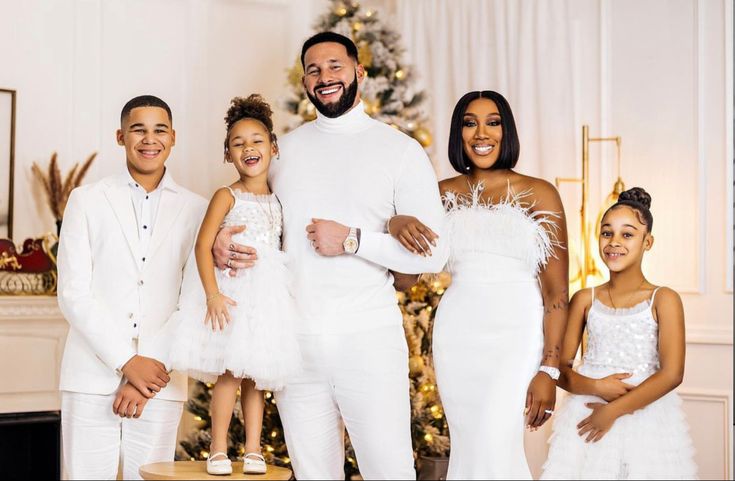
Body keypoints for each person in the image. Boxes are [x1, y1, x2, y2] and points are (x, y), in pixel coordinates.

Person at [213, 32, 448, 480]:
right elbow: (252, 210)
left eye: (336, 66)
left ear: (359, 72)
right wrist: (221, 240)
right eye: (314, 70)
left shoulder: (399, 150)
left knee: (390, 473)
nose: (325, 77)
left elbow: (433, 255)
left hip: (369, 342)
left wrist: (355, 240)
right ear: (305, 81)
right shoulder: (285, 153)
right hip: (296, 348)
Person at [388, 90, 569, 479]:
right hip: (458, 334)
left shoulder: (540, 193)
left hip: (516, 333)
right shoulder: (440, 193)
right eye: (470, 123)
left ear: (507, 131)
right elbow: (405, 279)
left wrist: (550, 370)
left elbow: (557, 295)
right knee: (470, 446)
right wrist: (394, 223)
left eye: (493, 122)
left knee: (497, 442)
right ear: (459, 133)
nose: (481, 133)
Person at [56, 95, 207, 479]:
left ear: (173, 137)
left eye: (159, 130)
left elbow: (193, 298)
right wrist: (127, 362)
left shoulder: (198, 209)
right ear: (120, 136)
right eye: (138, 129)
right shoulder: (86, 200)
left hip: (160, 380)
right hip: (89, 377)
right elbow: (74, 293)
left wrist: (146, 374)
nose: (149, 139)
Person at [169, 94, 301, 475]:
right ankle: (218, 447)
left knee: (256, 376)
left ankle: (254, 449)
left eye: (257, 140)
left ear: (273, 147)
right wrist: (213, 294)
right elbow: (203, 244)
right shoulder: (226, 196)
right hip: (233, 294)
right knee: (229, 372)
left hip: (268, 299)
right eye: (238, 143)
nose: (249, 148)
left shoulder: (279, 199)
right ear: (228, 154)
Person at [541, 187, 697, 479]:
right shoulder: (585, 299)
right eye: (606, 233)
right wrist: (597, 388)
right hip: (586, 416)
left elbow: (672, 373)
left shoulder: (663, 299)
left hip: (646, 417)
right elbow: (559, 369)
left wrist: (612, 411)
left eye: (627, 234)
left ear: (647, 241)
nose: (614, 242)